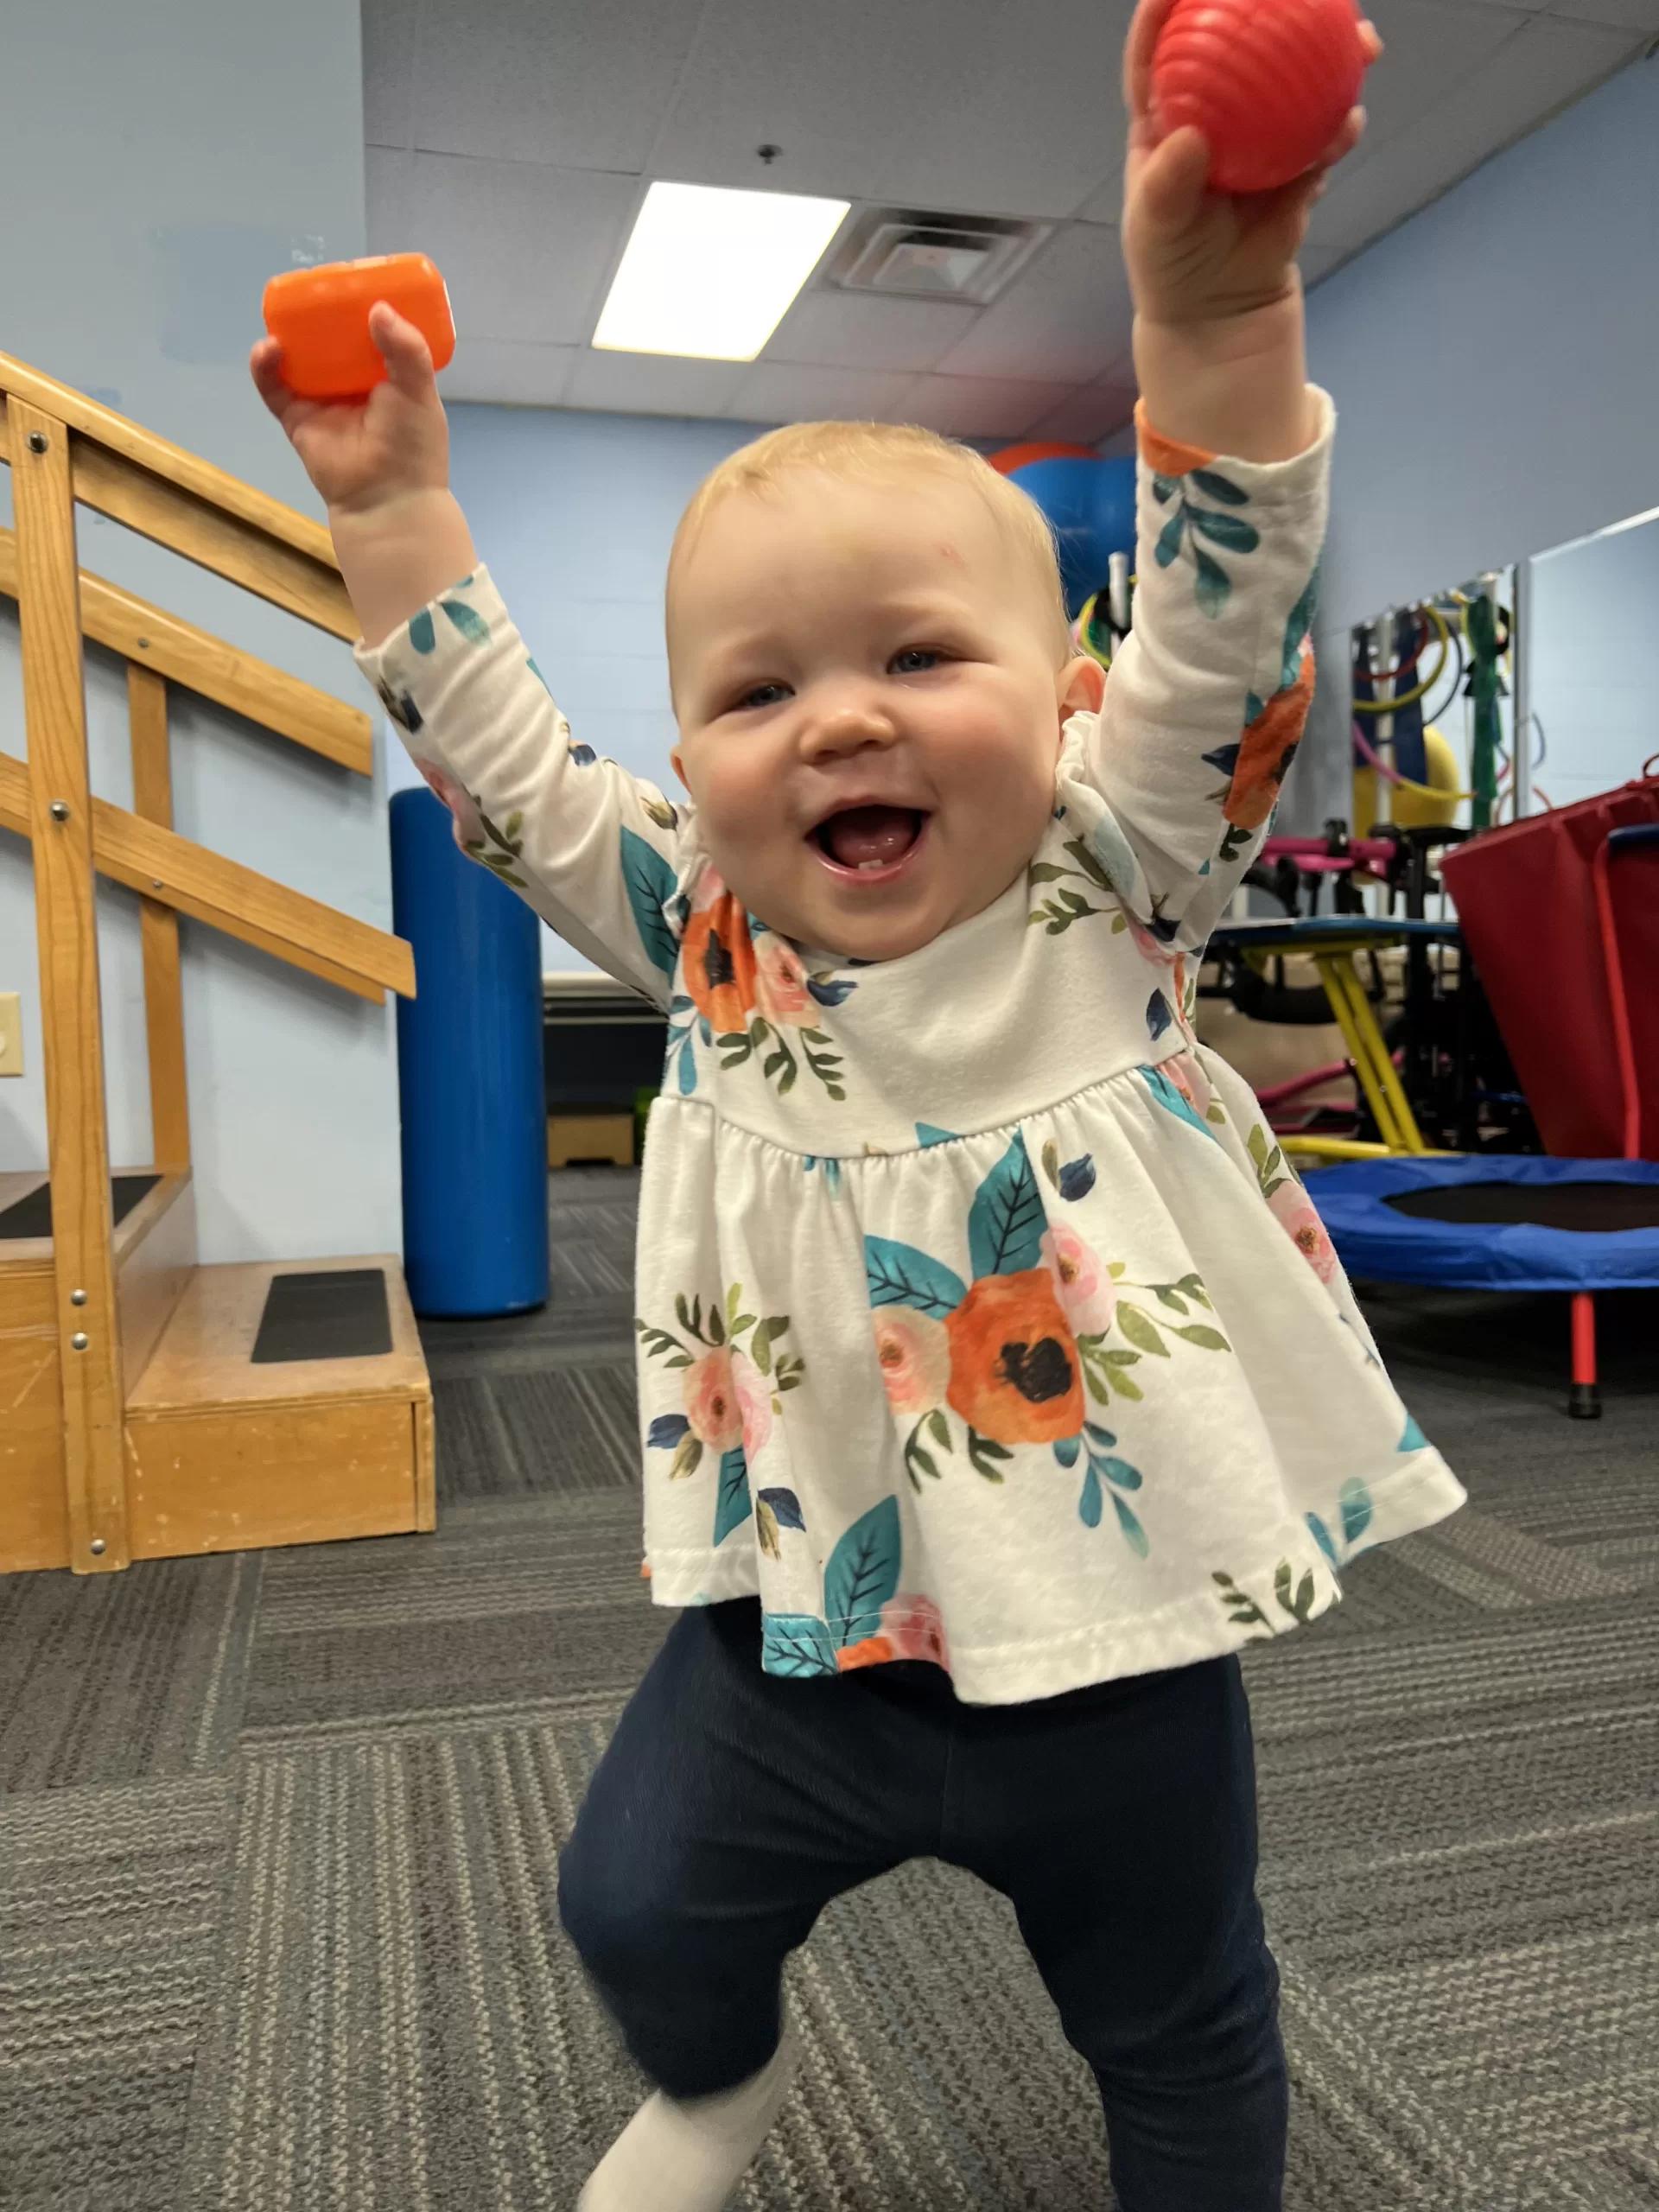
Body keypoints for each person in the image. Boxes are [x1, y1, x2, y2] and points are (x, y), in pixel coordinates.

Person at [255, 6, 1459, 2204]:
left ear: (1061, 700)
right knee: (631, 1900)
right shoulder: (704, 928)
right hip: (800, 1635)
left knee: (1181, 2023)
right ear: (698, 758)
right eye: (755, 690)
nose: (835, 725)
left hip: (1114, 1650)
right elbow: (511, 775)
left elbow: (1218, 618)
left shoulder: (1119, 862)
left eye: (917, 658)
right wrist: (401, 512)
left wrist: (1212, 310)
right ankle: (718, 2089)